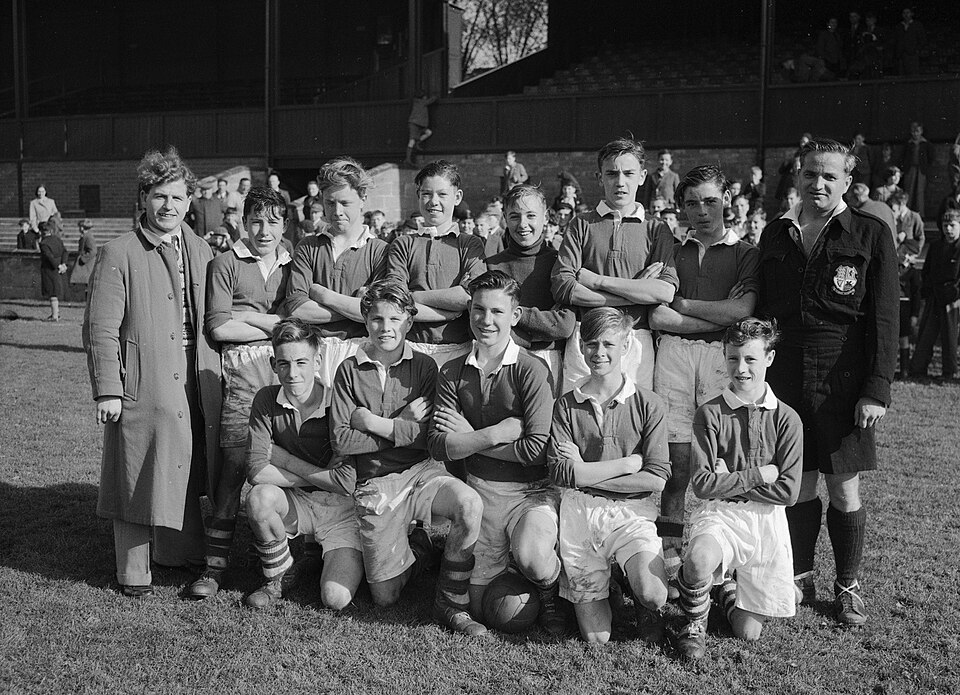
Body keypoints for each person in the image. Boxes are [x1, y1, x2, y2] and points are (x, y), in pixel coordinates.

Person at [757, 138, 898, 626]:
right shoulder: (776, 233)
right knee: (798, 483)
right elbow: (761, 310)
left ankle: (848, 585)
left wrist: (876, 387)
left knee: (843, 486)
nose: (818, 183)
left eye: (830, 176)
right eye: (811, 174)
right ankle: (800, 576)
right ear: (798, 175)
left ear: (846, 182)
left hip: (842, 372)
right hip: (787, 372)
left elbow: (883, 319)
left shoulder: (870, 233)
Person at [83, 147, 222, 597]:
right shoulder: (117, 252)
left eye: (178, 198)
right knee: (135, 469)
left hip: (193, 375)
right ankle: (134, 571)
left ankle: (177, 553)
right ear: (144, 198)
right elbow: (100, 329)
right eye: (160, 196)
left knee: (183, 463)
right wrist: (109, 389)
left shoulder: (200, 249)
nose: (169, 207)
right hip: (142, 380)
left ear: (189, 202)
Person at [330, 280, 487, 635]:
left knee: (469, 505)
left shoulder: (426, 368)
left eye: (395, 319)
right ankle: (421, 549)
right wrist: (400, 426)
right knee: (385, 597)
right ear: (364, 320)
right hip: (375, 483)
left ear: (410, 322)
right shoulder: (348, 370)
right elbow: (341, 440)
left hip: (421, 471)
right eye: (376, 319)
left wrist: (374, 424)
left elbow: (429, 441)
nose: (386, 328)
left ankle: (451, 599)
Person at [426, 270, 563, 634]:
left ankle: (550, 592)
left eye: (497, 312)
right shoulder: (452, 371)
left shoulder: (532, 370)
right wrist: (493, 435)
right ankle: (506, 567)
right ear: (469, 310)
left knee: (534, 560)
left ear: (514, 316)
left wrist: (469, 438)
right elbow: (440, 446)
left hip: (530, 494)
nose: (486, 321)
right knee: (482, 609)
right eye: (478, 310)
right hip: (482, 492)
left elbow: (536, 450)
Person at [648, 165, 760, 593]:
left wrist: (685, 307)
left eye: (710, 200)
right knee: (675, 464)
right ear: (681, 207)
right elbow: (658, 313)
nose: (701, 211)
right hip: (673, 356)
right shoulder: (673, 250)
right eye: (691, 203)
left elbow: (742, 311)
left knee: (722, 458)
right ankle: (673, 557)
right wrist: (711, 312)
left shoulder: (745, 252)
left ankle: (723, 565)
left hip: (722, 358)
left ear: (726, 201)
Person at [186, 186, 293, 600]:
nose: (264, 231)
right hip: (241, 381)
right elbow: (220, 327)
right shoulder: (225, 262)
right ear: (243, 222)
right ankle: (214, 570)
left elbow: (299, 322)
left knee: (287, 473)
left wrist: (249, 316)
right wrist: (273, 323)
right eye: (256, 221)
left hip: (285, 380)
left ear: (284, 224)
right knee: (231, 474)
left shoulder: (293, 264)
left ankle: (279, 574)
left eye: (272, 222)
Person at [674, 318, 802, 660]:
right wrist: (761, 473)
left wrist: (728, 478)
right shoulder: (710, 413)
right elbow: (702, 485)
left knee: (748, 634)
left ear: (769, 358)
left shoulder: (787, 418)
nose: (741, 369)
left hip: (766, 520)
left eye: (750, 359)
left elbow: (788, 492)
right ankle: (694, 623)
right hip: (721, 513)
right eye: (733, 358)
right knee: (699, 561)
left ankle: (728, 593)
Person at [547, 307, 671, 644]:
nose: (598, 353)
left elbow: (656, 478)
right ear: (581, 346)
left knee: (654, 594)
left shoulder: (650, 404)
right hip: (580, 513)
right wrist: (623, 465)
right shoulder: (566, 405)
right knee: (597, 638)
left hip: (632, 512)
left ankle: (642, 598)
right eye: (590, 344)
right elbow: (560, 472)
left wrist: (583, 472)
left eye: (608, 345)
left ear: (626, 345)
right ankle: (612, 584)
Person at [243, 318, 362, 610]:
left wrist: (283, 459)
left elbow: (345, 481)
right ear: (273, 364)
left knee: (334, 599)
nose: (293, 373)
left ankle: (320, 556)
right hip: (300, 502)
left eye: (301, 362)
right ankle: (279, 576)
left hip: (343, 509)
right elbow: (257, 470)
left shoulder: (340, 402)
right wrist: (321, 476)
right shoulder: (266, 399)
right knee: (259, 498)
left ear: (318, 360)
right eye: (284, 364)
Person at [551, 137, 678, 393]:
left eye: (628, 173)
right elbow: (563, 286)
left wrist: (598, 281)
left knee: (631, 420)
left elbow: (664, 291)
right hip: (586, 335)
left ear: (642, 176)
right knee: (579, 418)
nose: (620, 182)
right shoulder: (581, 224)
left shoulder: (657, 228)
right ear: (600, 178)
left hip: (635, 337)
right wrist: (638, 291)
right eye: (612, 173)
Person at [286, 157, 387, 389]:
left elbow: (378, 312)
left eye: (345, 203)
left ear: (362, 199)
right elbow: (296, 307)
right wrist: (356, 305)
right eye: (330, 203)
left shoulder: (379, 250)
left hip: (360, 352)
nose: (337, 211)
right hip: (313, 352)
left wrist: (323, 295)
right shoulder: (308, 246)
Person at [383, 160, 487, 372]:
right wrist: (449, 311)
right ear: (418, 196)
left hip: (460, 351)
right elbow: (397, 302)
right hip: (411, 349)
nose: (433, 201)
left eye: (442, 194)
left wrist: (415, 296)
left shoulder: (470, 244)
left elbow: (469, 296)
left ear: (457, 197)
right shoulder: (404, 244)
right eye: (426, 194)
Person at [485, 185, 576, 394]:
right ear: (505, 218)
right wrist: (538, 330)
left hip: (548, 360)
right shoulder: (492, 265)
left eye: (531, 216)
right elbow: (488, 323)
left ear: (545, 217)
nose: (523, 224)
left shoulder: (559, 263)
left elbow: (562, 326)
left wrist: (513, 315)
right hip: (502, 358)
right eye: (515, 216)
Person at [909, 210, 960, 380]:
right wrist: (929, 290)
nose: (949, 229)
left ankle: (949, 372)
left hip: (953, 298)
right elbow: (927, 270)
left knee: (950, 337)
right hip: (934, 296)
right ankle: (918, 369)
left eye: (952, 225)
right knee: (926, 334)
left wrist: (954, 293)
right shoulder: (936, 246)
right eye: (945, 226)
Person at [895, 227, 922, 377]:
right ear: (900, 248)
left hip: (905, 306)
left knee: (903, 338)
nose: (905, 257)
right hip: (892, 305)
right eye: (904, 252)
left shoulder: (913, 273)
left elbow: (916, 294)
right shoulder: (891, 265)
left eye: (910, 255)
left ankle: (904, 369)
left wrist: (915, 314)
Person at [900, 121, 933, 217]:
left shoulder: (926, 144)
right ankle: (906, 214)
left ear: (921, 131)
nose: (915, 133)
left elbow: (931, 158)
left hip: (921, 170)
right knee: (908, 191)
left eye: (917, 131)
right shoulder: (908, 144)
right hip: (910, 169)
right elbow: (903, 157)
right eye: (913, 131)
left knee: (920, 192)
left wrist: (926, 167)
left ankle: (920, 215)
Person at [38, 220, 69, 321]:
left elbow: (49, 257)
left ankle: (55, 315)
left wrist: (58, 265)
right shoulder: (57, 239)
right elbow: (65, 252)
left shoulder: (43, 243)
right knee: (56, 291)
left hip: (50, 270)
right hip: (59, 270)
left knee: (52, 293)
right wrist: (63, 264)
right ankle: (56, 314)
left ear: (42, 231)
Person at [405, 91, 437, 166]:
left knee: (428, 133)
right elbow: (431, 100)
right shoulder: (422, 102)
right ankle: (408, 159)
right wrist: (435, 96)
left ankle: (417, 143)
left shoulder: (417, 102)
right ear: (423, 97)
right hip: (415, 124)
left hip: (419, 124)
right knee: (411, 141)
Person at [893, 7, 925, 76]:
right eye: (904, 13)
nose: (906, 15)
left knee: (913, 75)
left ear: (912, 14)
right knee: (901, 75)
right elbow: (895, 40)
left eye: (908, 12)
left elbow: (922, 40)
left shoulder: (917, 25)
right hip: (901, 55)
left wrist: (916, 50)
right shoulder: (898, 26)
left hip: (912, 55)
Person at [890, 191, 924, 256]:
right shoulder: (892, 216)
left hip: (908, 255)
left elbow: (921, 237)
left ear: (902, 203)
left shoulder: (914, 216)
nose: (892, 205)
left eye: (895, 203)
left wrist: (915, 254)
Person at [69, 219, 97, 290]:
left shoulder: (88, 237)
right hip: (85, 263)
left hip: (87, 263)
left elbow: (93, 251)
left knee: (87, 282)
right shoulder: (85, 236)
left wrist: (83, 259)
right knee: (83, 282)